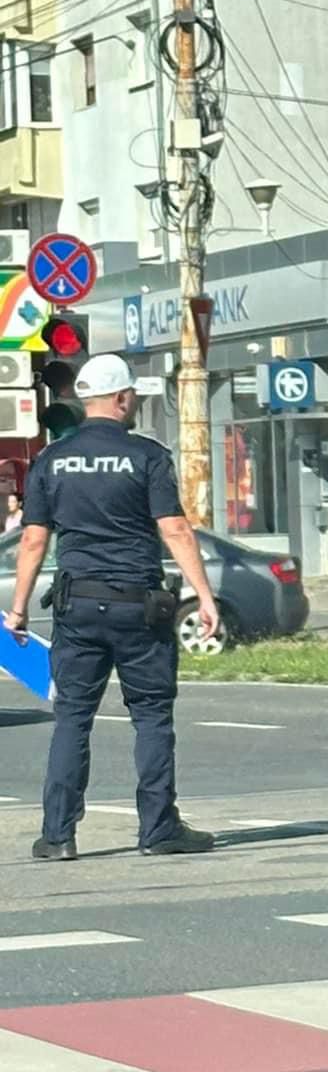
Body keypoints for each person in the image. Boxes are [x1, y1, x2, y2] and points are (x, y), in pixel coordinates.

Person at [4, 354, 221, 860]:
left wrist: (17, 610)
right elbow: (174, 529)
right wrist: (204, 597)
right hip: (138, 606)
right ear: (122, 399)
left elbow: (33, 539)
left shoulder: (52, 459)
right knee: (151, 715)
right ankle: (159, 829)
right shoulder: (147, 456)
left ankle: (57, 835)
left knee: (72, 717)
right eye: (134, 395)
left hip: (77, 607)